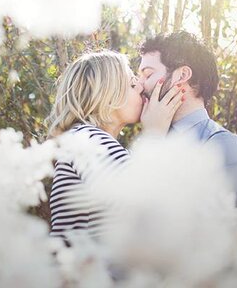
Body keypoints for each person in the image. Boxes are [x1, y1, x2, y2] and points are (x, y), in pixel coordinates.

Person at [46, 50, 184, 244]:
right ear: (107, 95)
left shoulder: (87, 140)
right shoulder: (88, 140)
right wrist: (154, 135)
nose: (140, 87)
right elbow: (140, 207)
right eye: (131, 83)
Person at [138, 31, 237, 209]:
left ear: (182, 75)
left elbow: (185, 224)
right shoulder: (155, 134)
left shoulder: (222, 146)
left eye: (147, 75)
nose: (140, 85)